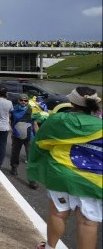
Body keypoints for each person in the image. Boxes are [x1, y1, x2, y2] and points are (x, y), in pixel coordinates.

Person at [28, 87, 102, 249]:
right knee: (88, 222)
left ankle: (50, 247)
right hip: (94, 180)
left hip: (61, 174)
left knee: (58, 213)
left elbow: (41, 142)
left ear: (72, 101)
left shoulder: (60, 120)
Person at [9, 93, 39, 190]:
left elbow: (35, 124)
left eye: (25, 100)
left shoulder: (32, 109)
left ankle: (32, 179)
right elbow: (9, 120)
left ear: (28, 101)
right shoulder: (13, 109)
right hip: (17, 135)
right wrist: (11, 129)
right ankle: (14, 167)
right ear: (18, 100)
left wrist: (38, 136)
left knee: (31, 157)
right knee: (15, 153)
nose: (23, 102)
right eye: (21, 100)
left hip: (29, 136)